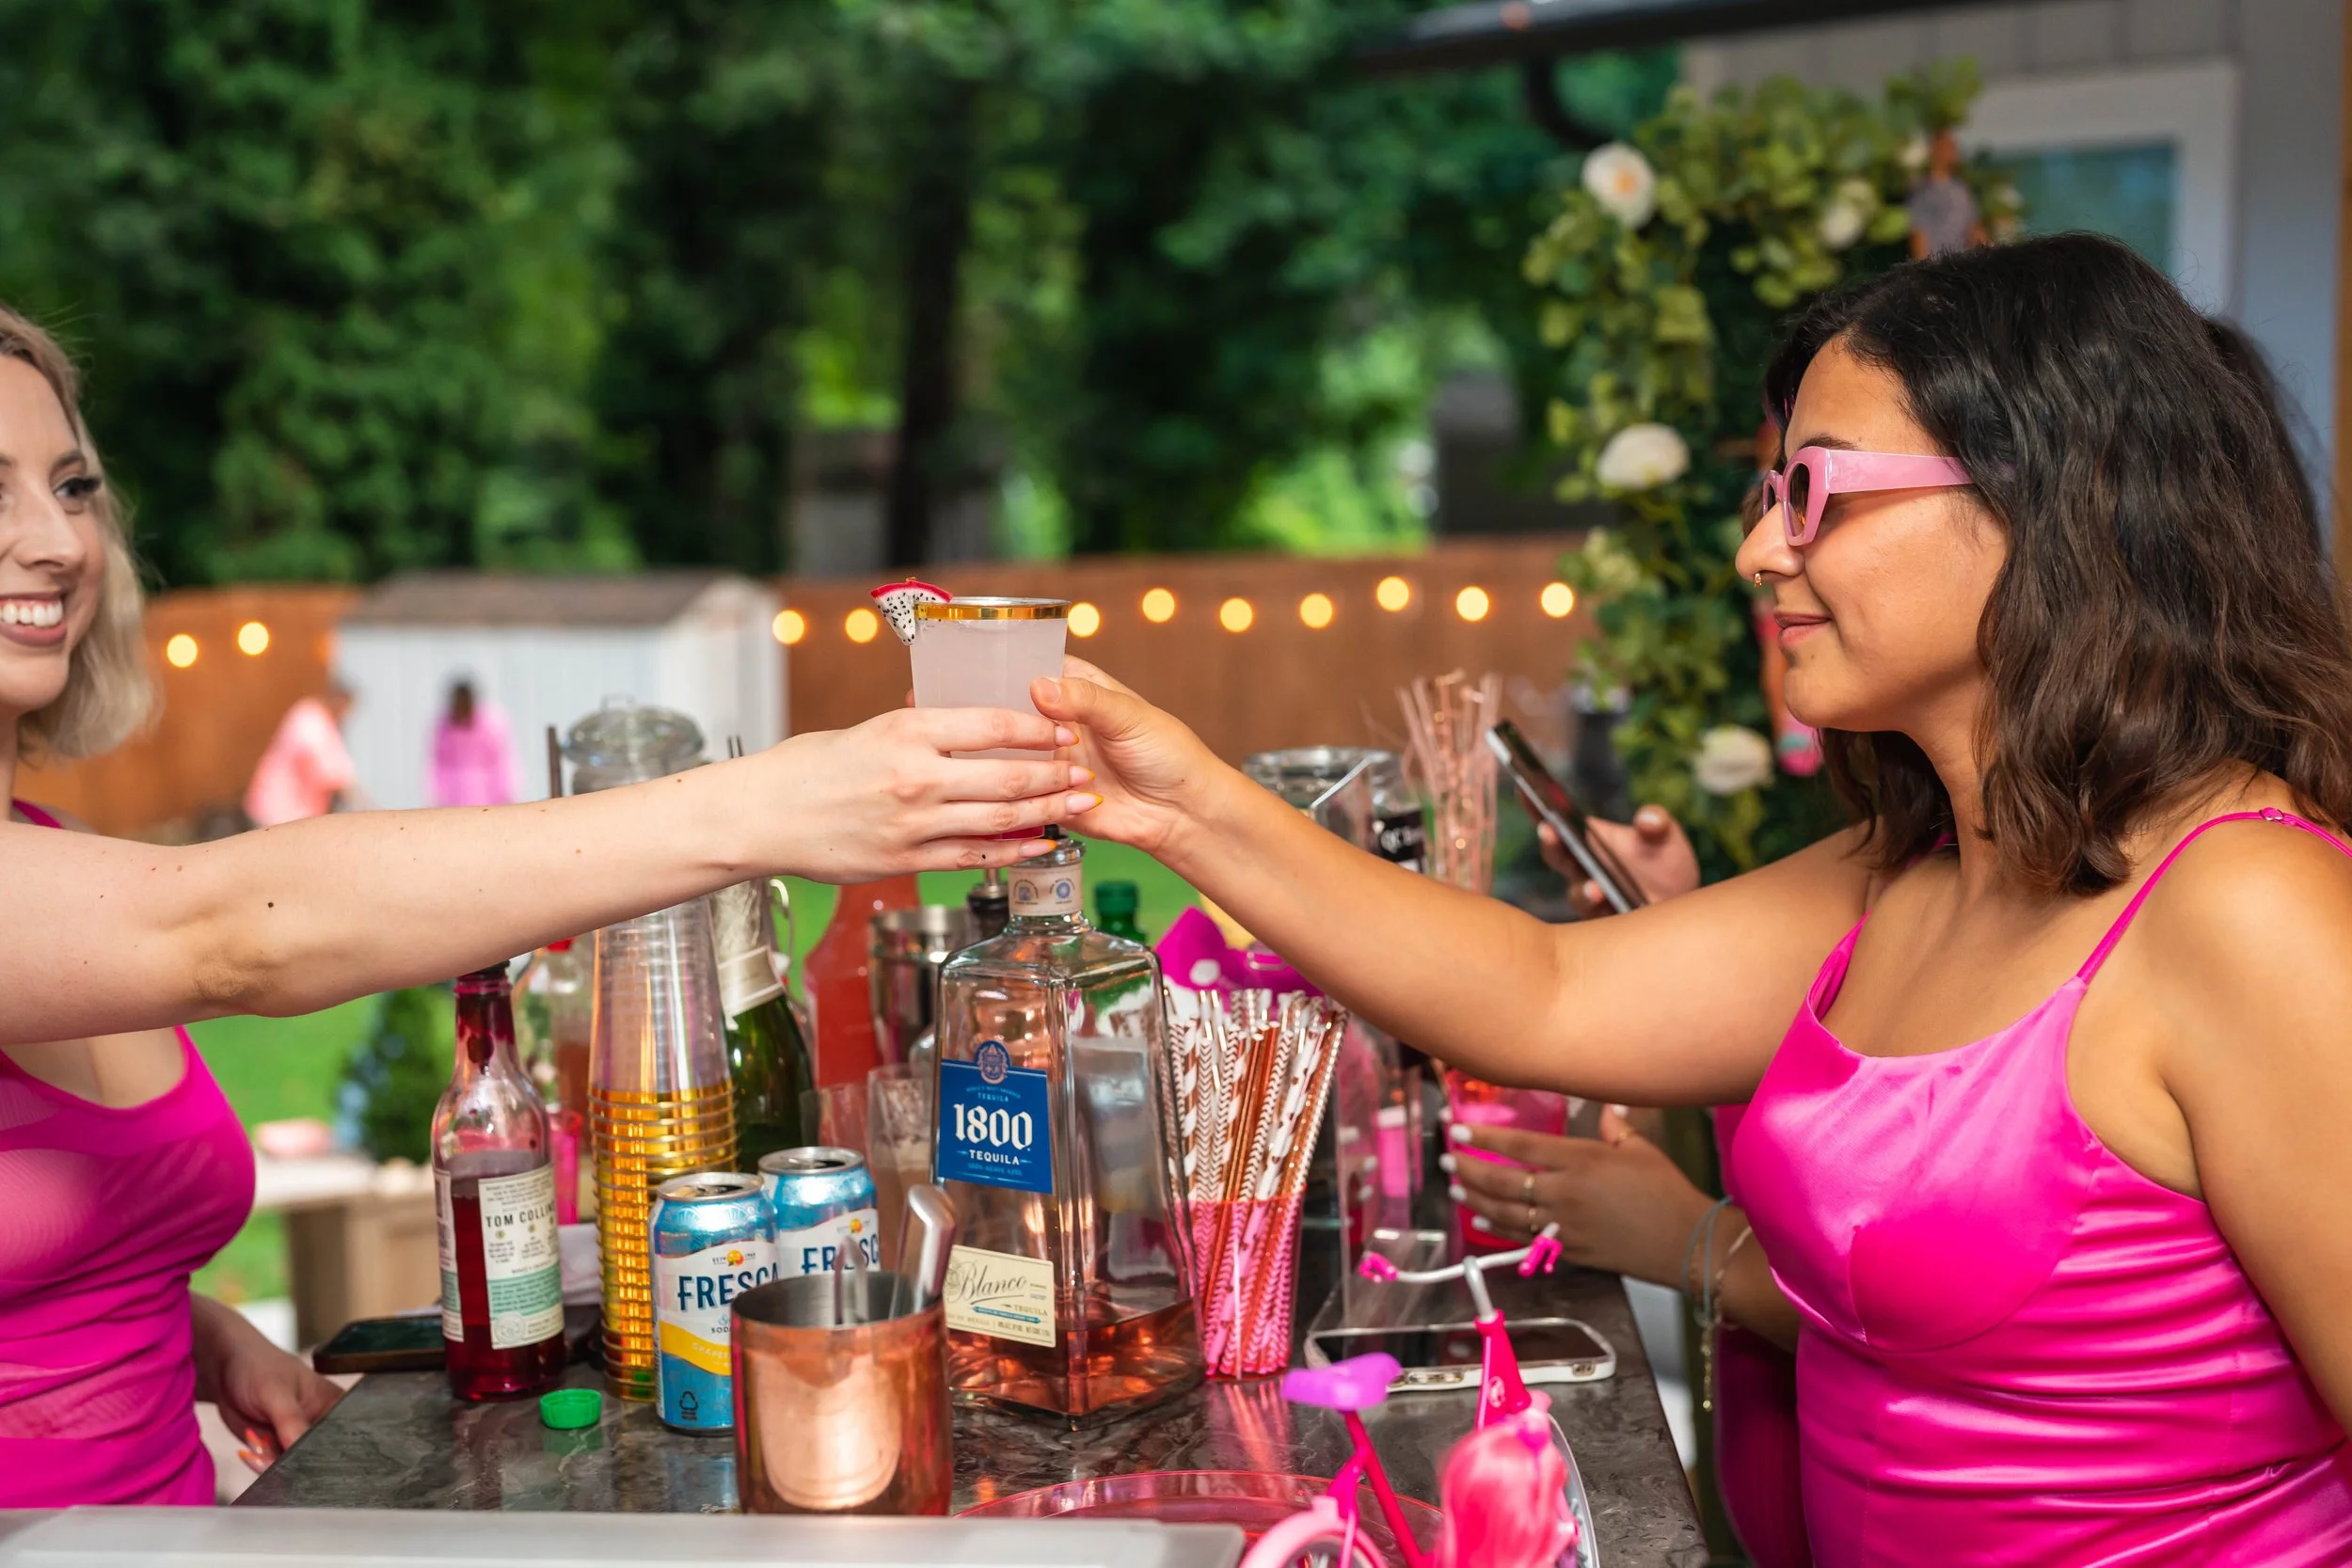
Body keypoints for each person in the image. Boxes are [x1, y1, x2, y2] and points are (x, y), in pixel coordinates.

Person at [1039, 234, 2352, 1561]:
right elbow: (1540, 991)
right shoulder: (1912, 873)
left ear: (2052, 500)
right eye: (1767, 491)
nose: (1761, 553)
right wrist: (1175, 802)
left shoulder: (2250, 907)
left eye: (1816, 488)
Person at [0, 306, 1094, 1505]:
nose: (55, 540)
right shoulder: (135, 907)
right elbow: (234, 933)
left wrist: (206, 1338)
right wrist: (759, 807)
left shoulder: (51, 862)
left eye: (72, 485)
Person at [244, 680, 358, 827]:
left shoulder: (326, 724)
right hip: (278, 809)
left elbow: (341, 768)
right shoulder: (309, 717)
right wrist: (354, 798)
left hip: (296, 814)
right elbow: (324, 764)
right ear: (337, 702)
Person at [428, 677, 520, 808]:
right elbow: (437, 763)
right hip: (454, 798)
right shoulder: (444, 725)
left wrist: (506, 792)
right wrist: (438, 794)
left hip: (489, 796)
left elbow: (503, 761)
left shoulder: (492, 723)